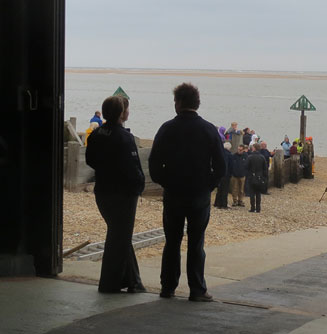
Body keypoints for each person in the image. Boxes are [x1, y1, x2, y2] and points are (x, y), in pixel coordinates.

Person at [148, 83, 226, 302]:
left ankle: (168, 287)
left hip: (173, 193)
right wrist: (207, 185)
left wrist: (165, 182)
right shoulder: (209, 129)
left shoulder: (166, 128)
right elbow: (221, 166)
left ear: (179, 102)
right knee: (196, 242)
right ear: (196, 103)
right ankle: (197, 289)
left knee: (172, 241)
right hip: (199, 195)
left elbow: (154, 163)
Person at [85, 96, 146, 294]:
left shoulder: (96, 135)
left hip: (103, 191)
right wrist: (139, 186)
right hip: (123, 194)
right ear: (122, 113)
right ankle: (110, 284)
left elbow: (90, 160)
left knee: (119, 235)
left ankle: (133, 281)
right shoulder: (124, 137)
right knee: (119, 237)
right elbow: (133, 168)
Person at [245, 143, 268, 213]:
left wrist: (248, 175)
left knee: (252, 193)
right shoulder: (262, 157)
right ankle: (258, 208)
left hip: (252, 176)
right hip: (260, 177)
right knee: (258, 193)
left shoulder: (250, 157)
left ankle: (252, 208)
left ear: (254, 148)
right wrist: (265, 178)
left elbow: (246, 166)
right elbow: (265, 168)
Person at [214, 142, 232, 209]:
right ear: (229, 148)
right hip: (226, 174)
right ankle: (224, 204)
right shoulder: (229, 155)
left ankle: (217, 203)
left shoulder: (219, 154)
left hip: (219, 174)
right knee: (225, 190)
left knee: (219, 189)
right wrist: (231, 174)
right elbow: (231, 166)